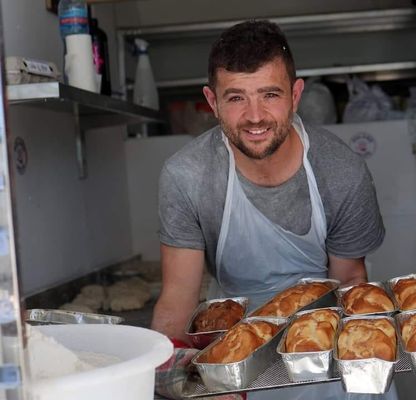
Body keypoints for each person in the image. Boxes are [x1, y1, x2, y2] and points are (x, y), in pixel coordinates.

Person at [152, 20, 398, 400]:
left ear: (295, 95)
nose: (255, 116)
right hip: (236, 363)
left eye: (270, 94)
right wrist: (179, 378)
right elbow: (178, 296)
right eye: (236, 98)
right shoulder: (187, 176)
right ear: (212, 101)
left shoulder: (341, 171)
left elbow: (350, 281)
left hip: (328, 359)